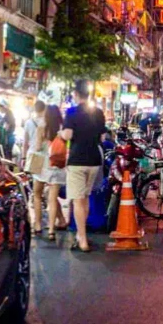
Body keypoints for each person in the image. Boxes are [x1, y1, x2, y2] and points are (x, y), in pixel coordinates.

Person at [61, 80, 106, 252]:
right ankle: (82, 235)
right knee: (85, 198)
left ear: (76, 94)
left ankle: (82, 240)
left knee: (78, 201)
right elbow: (102, 138)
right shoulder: (98, 112)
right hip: (94, 160)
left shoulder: (71, 112)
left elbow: (67, 134)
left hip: (78, 160)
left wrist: (61, 133)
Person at [35, 104, 68, 240]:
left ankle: (37, 225)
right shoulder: (63, 128)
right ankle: (51, 230)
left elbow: (37, 147)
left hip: (42, 163)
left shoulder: (42, 126)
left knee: (36, 193)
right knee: (53, 198)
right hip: (58, 165)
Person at [22, 100, 46, 171]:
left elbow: (25, 142)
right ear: (45, 109)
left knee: (33, 180)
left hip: (33, 154)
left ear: (34, 109)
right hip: (45, 155)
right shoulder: (47, 122)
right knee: (44, 180)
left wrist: (23, 157)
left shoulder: (28, 122)